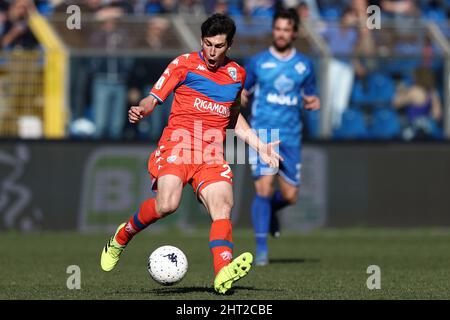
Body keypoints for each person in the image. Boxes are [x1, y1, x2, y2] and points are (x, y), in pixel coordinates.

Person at [100, 13, 282, 294]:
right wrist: (142, 109)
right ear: (201, 41)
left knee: (223, 205)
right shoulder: (183, 64)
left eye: (219, 46)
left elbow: (232, 118)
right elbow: (154, 98)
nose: (211, 51)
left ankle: (223, 273)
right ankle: (122, 236)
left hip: (211, 153)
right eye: (207, 44)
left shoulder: (237, 75)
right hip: (178, 144)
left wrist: (261, 146)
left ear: (229, 45)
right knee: (167, 204)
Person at [241, 8, 320, 266]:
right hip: (264, 131)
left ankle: (271, 212)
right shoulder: (257, 62)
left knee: (290, 196)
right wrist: (240, 96)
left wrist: (313, 101)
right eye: (278, 29)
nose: (281, 34)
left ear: (295, 32)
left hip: (291, 135)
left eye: (287, 29)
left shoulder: (305, 65)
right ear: (272, 30)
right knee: (264, 187)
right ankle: (261, 250)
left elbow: (310, 94)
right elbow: (245, 91)